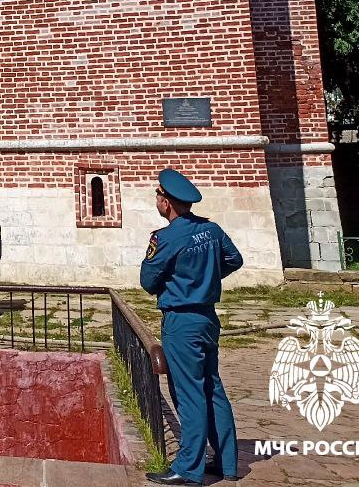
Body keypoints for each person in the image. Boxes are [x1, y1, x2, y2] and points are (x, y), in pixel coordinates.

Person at [140, 169, 242, 485]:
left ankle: (188, 467)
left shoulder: (166, 238)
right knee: (212, 387)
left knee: (189, 393)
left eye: (159, 196)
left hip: (182, 321)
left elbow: (147, 281)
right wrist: (205, 280)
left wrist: (184, 285)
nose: (157, 200)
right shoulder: (211, 230)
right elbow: (234, 260)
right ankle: (228, 463)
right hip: (208, 317)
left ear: (166, 203)